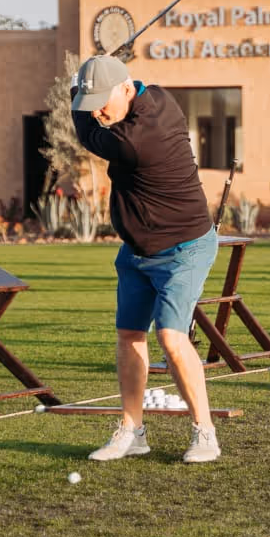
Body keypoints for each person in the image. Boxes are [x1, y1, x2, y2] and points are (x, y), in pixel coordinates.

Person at [70, 54, 222, 464]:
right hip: (137, 250)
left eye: (103, 101)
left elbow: (86, 135)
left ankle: (204, 432)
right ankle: (132, 430)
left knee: (171, 337)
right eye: (92, 103)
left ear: (124, 88)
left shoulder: (133, 140)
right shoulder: (156, 96)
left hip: (184, 248)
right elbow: (106, 105)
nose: (98, 112)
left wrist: (73, 90)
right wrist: (86, 84)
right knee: (128, 335)